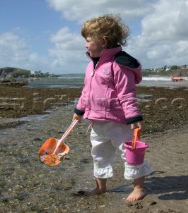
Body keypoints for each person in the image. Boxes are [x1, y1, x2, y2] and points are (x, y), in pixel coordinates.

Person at [72, 14, 151, 202]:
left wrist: (133, 117)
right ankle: (100, 187)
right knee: (98, 155)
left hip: (119, 122)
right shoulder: (91, 66)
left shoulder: (118, 65)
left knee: (130, 154)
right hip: (97, 122)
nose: (85, 45)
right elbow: (87, 92)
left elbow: (127, 93)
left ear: (103, 41)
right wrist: (79, 110)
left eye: (88, 40)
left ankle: (139, 187)